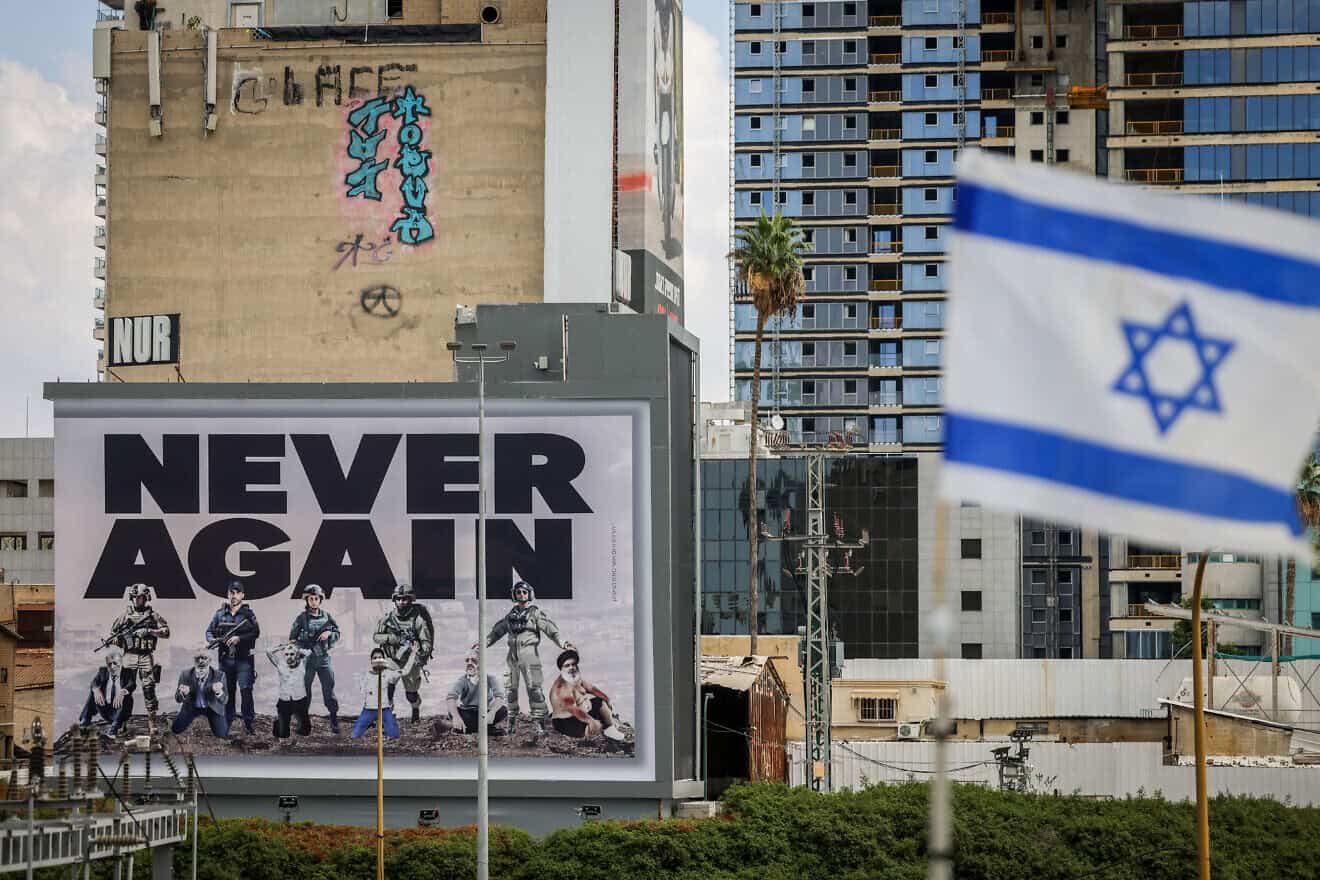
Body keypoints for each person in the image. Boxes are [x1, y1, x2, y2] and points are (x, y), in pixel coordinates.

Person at [485, 581, 572, 738]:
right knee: (510, 689)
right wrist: (482, 644)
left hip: (530, 656)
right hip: (512, 657)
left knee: (534, 690)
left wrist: (564, 644)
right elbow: (496, 633)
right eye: (518, 592)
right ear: (514, 595)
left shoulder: (535, 614)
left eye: (524, 592)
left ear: (529, 594)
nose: (521, 595)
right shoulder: (510, 616)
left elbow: (551, 630)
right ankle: (511, 723)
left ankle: (539, 724)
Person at [205, 579, 261, 735]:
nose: (234, 595)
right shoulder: (219, 614)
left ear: (243, 595)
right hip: (225, 660)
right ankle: (228, 722)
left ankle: (249, 723)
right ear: (228, 594)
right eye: (231, 592)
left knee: (246, 691)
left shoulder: (248, 614)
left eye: (237, 593)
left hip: (244, 660)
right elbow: (209, 632)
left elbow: (256, 632)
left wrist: (239, 639)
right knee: (228, 692)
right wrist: (214, 640)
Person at [372, 583, 433, 723]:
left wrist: (420, 652)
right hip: (392, 658)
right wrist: (391, 638)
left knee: (411, 694)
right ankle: (389, 712)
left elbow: (426, 641)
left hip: (411, 660)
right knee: (388, 683)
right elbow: (376, 637)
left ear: (410, 600)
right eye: (398, 599)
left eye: (404, 599)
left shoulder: (418, 620)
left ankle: (415, 708)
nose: (401, 602)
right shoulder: (388, 619)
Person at [106, 583, 170, 718]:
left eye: (139, 597)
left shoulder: (153, 615)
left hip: (146, 656)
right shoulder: (125, 616)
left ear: (146, 598)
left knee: (149, 689)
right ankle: (122, 721)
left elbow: (166, 631)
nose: (136, 600)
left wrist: (149, 631)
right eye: (134, 597)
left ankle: (152, 721)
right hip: (129, 655)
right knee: (126, 689)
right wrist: (117, 640)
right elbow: (113, 633)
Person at [288, 584, 341, 733]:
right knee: (305, 691)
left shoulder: (327, 616)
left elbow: (337, 632)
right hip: (307, 661)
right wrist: (301, 649)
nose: (313, 601)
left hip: (323, 658)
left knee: (329, 689)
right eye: (310, 599)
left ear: (320, 600)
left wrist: (329, 634)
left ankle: (334, 719)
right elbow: (292, 639)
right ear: (307, 600)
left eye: (316, 598)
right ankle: (304, 723)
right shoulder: (302, 618)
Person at [548, 649, 625, 742]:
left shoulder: (574, 677)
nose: (571, 667)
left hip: (578, 714)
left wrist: (607, 699)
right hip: (565, 721)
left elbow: (591, 688)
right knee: (596, 727)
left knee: (599, 701)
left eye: (573, 664)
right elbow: (573, 709)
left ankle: (610, 729)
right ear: (561, 669)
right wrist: (590, 721)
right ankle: (593, 739)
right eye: (567, 665)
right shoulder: (561, 687)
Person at [351, 646, 419, 740]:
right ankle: (372, 722)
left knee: (394, 735)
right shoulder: (366, 675)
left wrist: (413, 653)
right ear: (371, 661)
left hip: (384, 709)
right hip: (369, 710)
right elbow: (362, 690)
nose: (377, 660)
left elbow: (406, 670)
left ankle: (386, 723)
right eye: (375, 658)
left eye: (380, 657)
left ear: (384, 660)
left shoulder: (389, 674)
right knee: (355, 735)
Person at [436, 647, 507, 735]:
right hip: (467, 713)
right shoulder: (462, 680)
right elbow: (451, 698)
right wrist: (456, 717)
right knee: (453, 711)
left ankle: (466, 729)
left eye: (473, 660)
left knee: (503, 710)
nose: (470, 663)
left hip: (484, 713)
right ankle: (486, 729)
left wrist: (492, 712)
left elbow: (499, 697)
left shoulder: (490, 678)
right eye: (467, 660)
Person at [171, 649, 229, 737]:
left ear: (209, 664)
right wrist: (183, 693)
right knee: (175, 729)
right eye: (198, 668)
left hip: (212, 707)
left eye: (204, 668)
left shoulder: (220, 675)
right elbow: (177, 699)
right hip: (192, 706)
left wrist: (219, 692)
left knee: (222, 734)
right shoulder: (185, 674)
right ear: (194, 665)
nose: (201, 671)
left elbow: (224, 700)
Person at [79, 646, 136, 736]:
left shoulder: (128, 672)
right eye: (109, 664)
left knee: (126, 696)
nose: (112, 667)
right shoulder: (103, 671)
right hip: (104, 708)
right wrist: (96, 690)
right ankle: (84, 721)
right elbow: (94, 682)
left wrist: (122, 692)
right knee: (94, 692)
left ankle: (114, 727)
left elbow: (132, 684)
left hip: (120, 711)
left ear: (121, 663)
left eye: (115, 663)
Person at [266, 642, 313, 740]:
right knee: (282, 734)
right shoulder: (280, 664)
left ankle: (303, 725)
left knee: (305, 732)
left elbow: (309, 652)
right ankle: (279, 723)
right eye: (286, 654)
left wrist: (296, 649)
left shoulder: (302, 663)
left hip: (300, 699)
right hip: (285, 700)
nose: (289, 656)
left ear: (296, 655)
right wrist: (282, 647)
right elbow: (268, 651)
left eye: (292, 654)